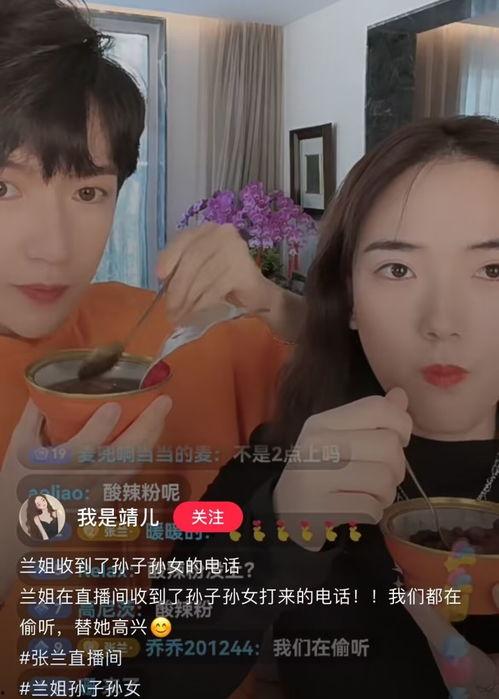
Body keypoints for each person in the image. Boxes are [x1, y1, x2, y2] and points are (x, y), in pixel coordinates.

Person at [121, 116, 498, 698]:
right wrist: (276, 529)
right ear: (349, 299)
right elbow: (141, 678)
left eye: (492, 270)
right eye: (397, 269)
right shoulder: (281, 459)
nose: (443, 322)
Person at [0, 1, 302, 695]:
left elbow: (373, 364)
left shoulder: (162, 330)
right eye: (4, 186)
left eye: (88, 190)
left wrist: (271, 299)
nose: (53, 247)